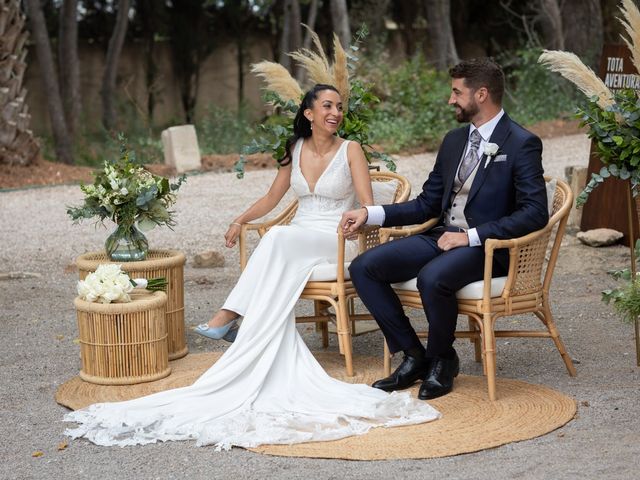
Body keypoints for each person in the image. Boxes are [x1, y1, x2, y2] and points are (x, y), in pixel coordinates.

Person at [64, 84, 440, 449]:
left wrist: (357, 222)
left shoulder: (351, 149)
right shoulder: (294, 148)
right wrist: (240, 219)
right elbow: (272, 197)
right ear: (308, 114)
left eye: (339, 107)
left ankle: (227, 316)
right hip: (296, 239)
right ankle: (233, 322)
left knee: (276, 239)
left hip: (333, 239)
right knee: (279, 238)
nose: (335, 113)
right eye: (327, 106)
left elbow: (366, 204)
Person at [340, 58, 549, 401]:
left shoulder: (521, 143)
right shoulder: (453, 141)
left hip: (489, 248)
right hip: (442, 236)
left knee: (433, 278)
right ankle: (413, 354)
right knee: (364, 268)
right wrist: (369, 213)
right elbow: (426, 204)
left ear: (481, 94)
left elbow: (535, 213)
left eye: (456, 92)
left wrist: (470, 237)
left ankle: (443, 358)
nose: (450, 99)